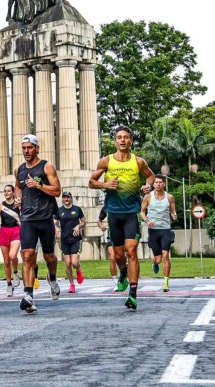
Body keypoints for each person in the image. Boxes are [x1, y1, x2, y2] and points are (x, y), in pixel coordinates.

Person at [88, 125, 155, 311]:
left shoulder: (138, 161)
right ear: (115, 141)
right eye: (119, 137)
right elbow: (91, 182)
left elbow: (150, 176)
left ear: (131, 141)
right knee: (118, 255)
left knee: (131, 250)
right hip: (114, 213)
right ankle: (123, 273)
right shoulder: (106, 161)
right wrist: (106, 184)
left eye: (126, 137)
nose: (123, 140)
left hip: (132, 212)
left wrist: (148, 186)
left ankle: (133, 294)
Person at [14, 134, 62, 313]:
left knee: (49, 256)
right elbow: (18, 186)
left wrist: (39, 186)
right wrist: (18, 199)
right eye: (24, 148)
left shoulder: (46, 166)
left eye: (30, 148)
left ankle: (53, 278)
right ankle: (28, 295)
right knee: (27, 255)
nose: (26, 151)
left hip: (45, 218)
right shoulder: (19, 169)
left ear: (37, 148)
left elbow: (57, 191)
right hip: (27, 219)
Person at [141, 175, 177, 292]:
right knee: (158, 259)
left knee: (166, 255)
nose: (158, 184)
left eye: (160, 182)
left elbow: (173, 211)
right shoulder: (148, 197)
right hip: (153, 230)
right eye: (156, 182)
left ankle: (166, 282)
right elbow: (141, 212)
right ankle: (155, 263)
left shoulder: (170, 197)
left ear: (164, 184)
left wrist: (174, 215)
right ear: (153, 184)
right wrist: (147, 221)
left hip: (166, 229)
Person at [0, 184, 22, 297]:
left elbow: (23, 215)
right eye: (5, 191)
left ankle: (15, 272)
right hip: (4, 231)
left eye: (9, 191)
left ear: (13, 192)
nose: (6, 193)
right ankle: (9, 284)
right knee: (6, 261)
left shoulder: (18, 203)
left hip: (16, 230)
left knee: (12, 255)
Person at [55, 192, 86, 293]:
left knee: (74, 263)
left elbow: (84, 221)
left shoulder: (77, 209)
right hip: (64, 240)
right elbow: (54, 222)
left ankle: (78, 270)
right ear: (62, 199)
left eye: (68, 197)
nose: (66, 199)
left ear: (71, 198)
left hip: (75, 239)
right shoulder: (59, 210)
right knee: (67, 263)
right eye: (64, 197)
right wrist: (56, 228)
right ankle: (72, 285)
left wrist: (78, 226)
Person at [97, 205, 117, 280]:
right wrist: (101, 226)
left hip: (123, 234)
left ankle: (124, 275)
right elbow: (99, 221)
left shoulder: (123, 204)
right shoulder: (107, 207)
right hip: (111, 235)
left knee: (122, 257)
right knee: (112, 257)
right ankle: (115, 279)